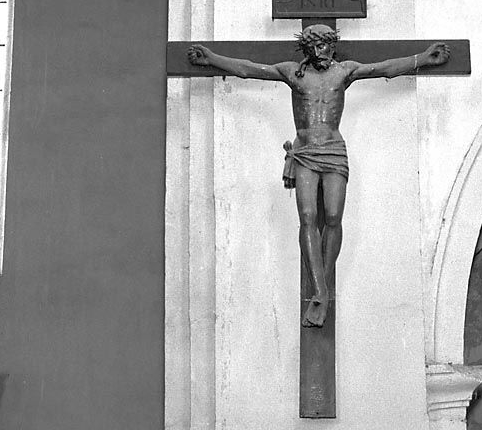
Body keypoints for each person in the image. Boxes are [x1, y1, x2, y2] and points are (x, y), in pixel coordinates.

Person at [188, 24, 449, 327]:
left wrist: (422, 58)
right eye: (314, 46)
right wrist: (212, 59)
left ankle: (321, 286)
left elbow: (385, 68)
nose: (319, 51)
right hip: (306, 153)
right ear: (306, 48)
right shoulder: (292, 73)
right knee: (309, 217)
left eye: (325, 45)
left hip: (334, 150)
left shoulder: (344, 72)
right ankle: (321, 291)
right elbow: (248, 70)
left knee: (335, 217)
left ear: (333, 45)